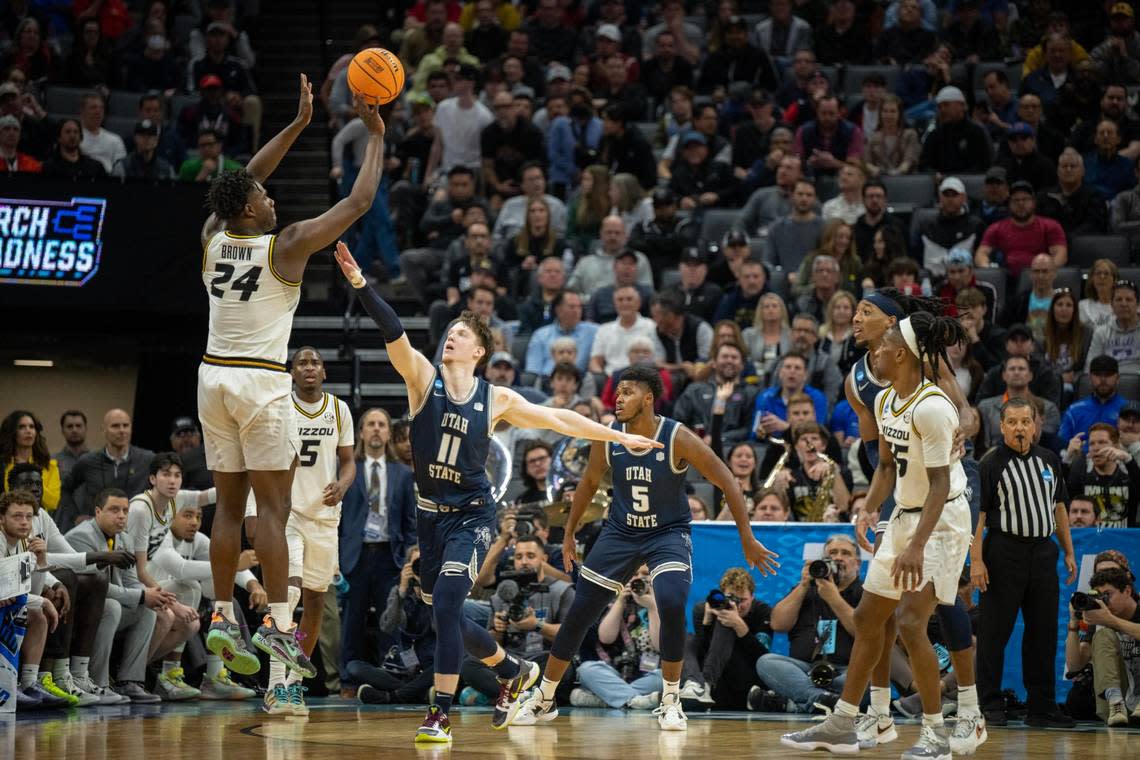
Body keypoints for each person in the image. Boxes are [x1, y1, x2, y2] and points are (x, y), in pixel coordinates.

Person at [332, 242, 666, 742]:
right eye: (449, 332)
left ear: (479, 351)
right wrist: (361, 284)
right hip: (430, 516)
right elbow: (393, 330)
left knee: (446, 600)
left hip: (471, 513)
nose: (450, 338)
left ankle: (439, 713)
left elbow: (559, 418)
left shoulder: (497, 399)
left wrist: (617, 436)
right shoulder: (423, 380)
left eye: (461, 335)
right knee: (439, 608)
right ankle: (513, 672)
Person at [198, 78, 384, 685]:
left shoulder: (214, 236)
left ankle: (223, 614)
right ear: (251, 209)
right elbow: (356, 204)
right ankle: (280, 626)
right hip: (259, 384)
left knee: (229, 507)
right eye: (265, 196)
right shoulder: (287, 247)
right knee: (272, 511)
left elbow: (241, 181)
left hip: (211, 377)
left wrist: (300, 124)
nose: (272, 198)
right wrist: (376, 138)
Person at [509, 365, 778, 729]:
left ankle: (670, 700)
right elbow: (588, 483)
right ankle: (544, 698)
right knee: (579, 613)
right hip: (620, 532)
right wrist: (569, 533)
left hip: (667, 533)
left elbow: (727, 478)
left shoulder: (677, 437)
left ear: (648, 398)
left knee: (669, 599)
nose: (617, 398)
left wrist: (746, 536)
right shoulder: (607, 435)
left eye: (627, 392)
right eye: (616, 392)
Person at [783, 312, 976, 757]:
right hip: (906, 513)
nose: (875, 353)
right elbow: (887, 466)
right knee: (870, 619)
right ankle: (844, 723)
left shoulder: (932, 407)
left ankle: (934, 734)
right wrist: (868, 509)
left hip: (941, 519)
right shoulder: (887, 399)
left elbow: (942, 484)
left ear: (903, 354)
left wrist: (916, 545)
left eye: (882, 347)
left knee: (910, 621)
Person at [972, 398, 1077, 728]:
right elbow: (979, 515)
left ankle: (1042, 706)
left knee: (1043, 633)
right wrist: (976, 561)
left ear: (1036, 425)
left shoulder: (1048, 460)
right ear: (1002, 426)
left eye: (1025, 421)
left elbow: (1059, 507)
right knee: (993, 633)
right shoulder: (989, 463)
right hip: (1003, 552)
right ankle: (989, 703)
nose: (1019, 427)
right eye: (1012, 422)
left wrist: (1069, 550)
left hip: (1043, 553)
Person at [338, 408, 416, 695]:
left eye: (382, 424)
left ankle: (389, 676)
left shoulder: (403, 474)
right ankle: (347, 679)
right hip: (355, 555)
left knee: (390, 620)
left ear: (388, 432)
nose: (376, 429)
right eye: (370, 424)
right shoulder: (346, 469)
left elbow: (410, 522)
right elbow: (337, 518)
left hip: (389, 555)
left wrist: (411, 552)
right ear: (360, 432)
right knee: (352, 621)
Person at [65, 489, 168, 703]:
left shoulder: (124, 537)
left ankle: (129, 681)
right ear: (97, 512)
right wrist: (141, 595)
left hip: (107, 607)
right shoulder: (80, 537)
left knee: (148, 608)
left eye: (125, 511)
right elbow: (98, 589)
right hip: (76, 612)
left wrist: (149, 594)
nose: (121, 516)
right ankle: (96, 682)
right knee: (112, 606)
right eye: (114, 510)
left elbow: (130, 581)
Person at [756, 535, 863, 713]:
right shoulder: (807, 589)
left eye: (845, 553)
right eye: (832, 553)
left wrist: (834, 599)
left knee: (868, 677)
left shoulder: (865, 592)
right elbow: (777, 624)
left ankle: (802, 700)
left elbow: (863, 632)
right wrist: (804, 584)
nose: (838, 557)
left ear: (858, 564)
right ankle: (824, 699)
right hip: (805, 670)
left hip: (846, 670)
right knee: (766, 662)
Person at [57, 409, 155, 529]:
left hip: (136, 529)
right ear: (104, 430)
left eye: (126, 425)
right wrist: (75, 516)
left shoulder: (147, 459)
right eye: (115, 426)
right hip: (97, 532)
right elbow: (65, 489)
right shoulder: (87, 461)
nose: (122, 431)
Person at [1080, 567, 1140, 725]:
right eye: (1100, 596)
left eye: (1108, 594)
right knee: (1103, 634)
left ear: (1127, 591)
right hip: (1120, 708)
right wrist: (1073, 625)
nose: (1104, 601)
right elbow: (1074, 666)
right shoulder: (1099, 620)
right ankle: (1115, 701)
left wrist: (1110, 621)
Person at [974, 181, 1068, 278]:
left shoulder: (1050, 226)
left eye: (1025, 199)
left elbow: (1060, 255)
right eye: (1016, 200)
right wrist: (989, 268)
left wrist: (1045, 271)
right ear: (1009, 204)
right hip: (1007, 280)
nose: (1021, 203)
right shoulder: (996, 228)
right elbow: (981, 253)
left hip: (1040, 277)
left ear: (1034, 202)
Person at [1066, 423, 1140, 528]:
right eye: (1092, 444)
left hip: (1122, 542)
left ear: (1116, 446)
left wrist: (1128, 459)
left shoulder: (1128, 475)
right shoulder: (1081, 475)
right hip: (1090, 541)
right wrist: (1067, 458)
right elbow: (1060, 496)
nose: (1096, 448)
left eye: (1102, 442)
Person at [977, 356, 1061, 447]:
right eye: (1012, 369)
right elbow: (983, 444)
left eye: (1021, 369)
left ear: (1030, 376)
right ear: (1004, 375)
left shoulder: (1048, 408)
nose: (1016, 372)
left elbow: (1048, 442)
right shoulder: (985, 407)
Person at [1, 410, 60, 512]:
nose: (28, 431)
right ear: (12, 432)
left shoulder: (49, 465)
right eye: (22, 427)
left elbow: (53, 502)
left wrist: (30, 478)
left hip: (39, 519)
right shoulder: (2, 464)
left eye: (32, 427)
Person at [1087, 279, 1140, 374]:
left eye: (1129, 300)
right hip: (1108, 383)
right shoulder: (1101, 332)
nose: (1124, 304)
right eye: (1119, 300)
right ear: (1112, 305)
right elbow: (1090, 367)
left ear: (1138, 305)